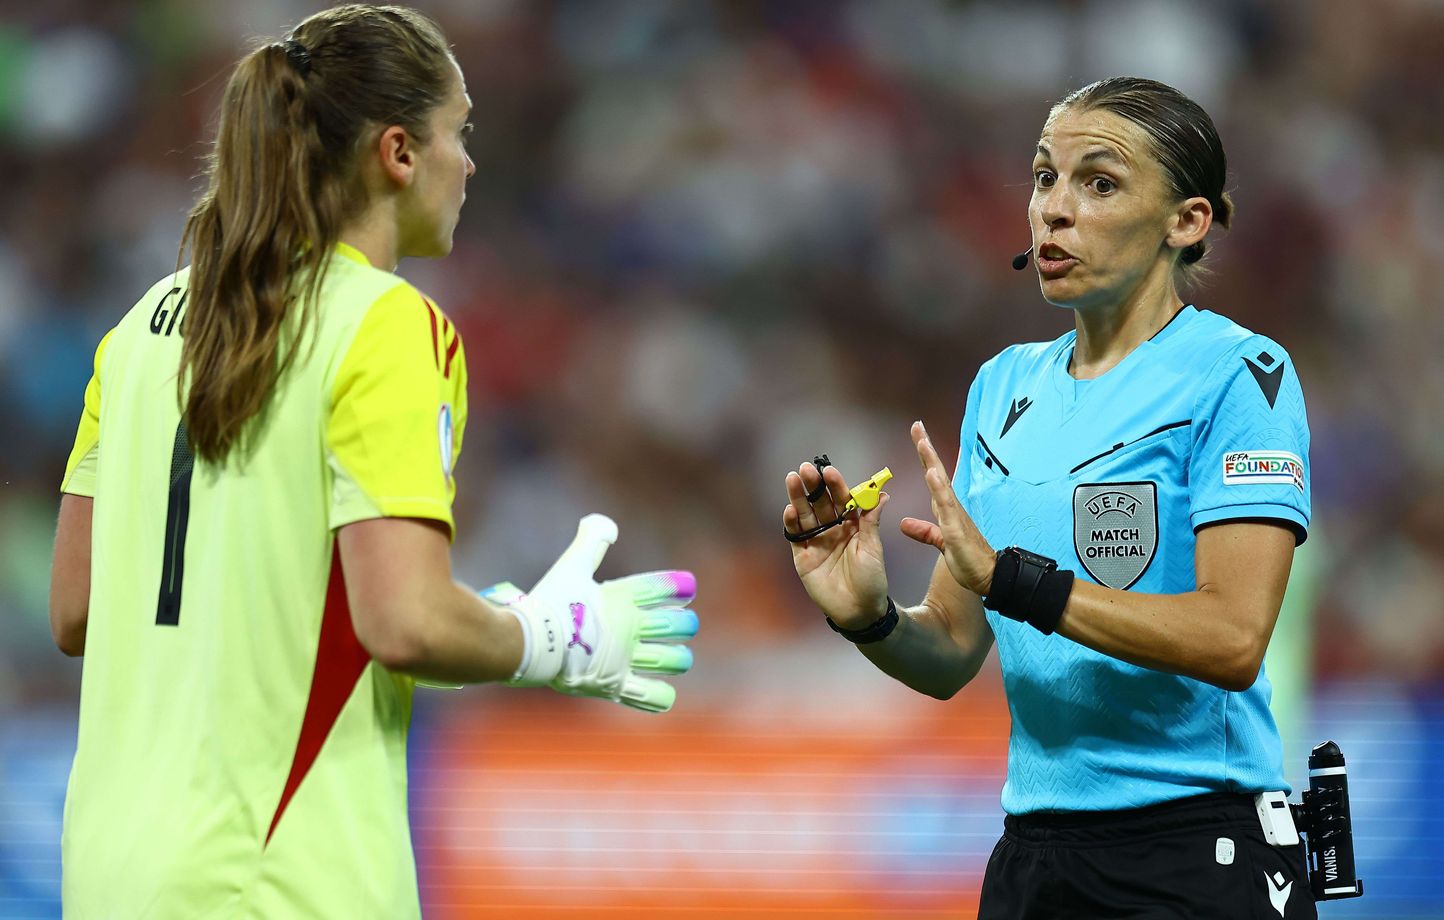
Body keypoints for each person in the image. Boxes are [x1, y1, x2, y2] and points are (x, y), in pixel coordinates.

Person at [47, 6, 698, 917]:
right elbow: (402, 621)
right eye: (456, 132)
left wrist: (479, 617)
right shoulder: (388, 324)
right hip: (284, 879)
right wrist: (550, 639)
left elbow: (79, 610)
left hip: (106, 871)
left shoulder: (138, 330)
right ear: (397, 152)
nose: (466, 162)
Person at [783, 77, 1317, 919]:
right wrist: (869, 617)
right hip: (1033, 856)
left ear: (1187, 222)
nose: (1053, 210)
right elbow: (953, 652)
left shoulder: (1240, 375)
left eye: (1098, 183)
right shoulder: (1002, 386)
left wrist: (1017, 583)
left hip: (1195, 847)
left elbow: (1233, 636)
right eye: (1043, 178)